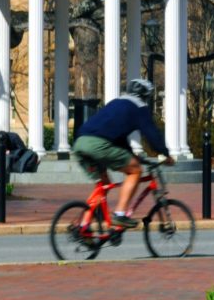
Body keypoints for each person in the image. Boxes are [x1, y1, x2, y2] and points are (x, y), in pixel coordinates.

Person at [71, 78, 176, 229]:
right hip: (99, 145)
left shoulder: (116, 102)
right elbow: (152, 134)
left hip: (81, 143)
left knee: (103, 186)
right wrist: (165, 153)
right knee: (135, 171)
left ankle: (83, 226)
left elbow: (116, 135)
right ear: (145, 95)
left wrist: (133, 155)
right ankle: (120, 214)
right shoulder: (139, 107)